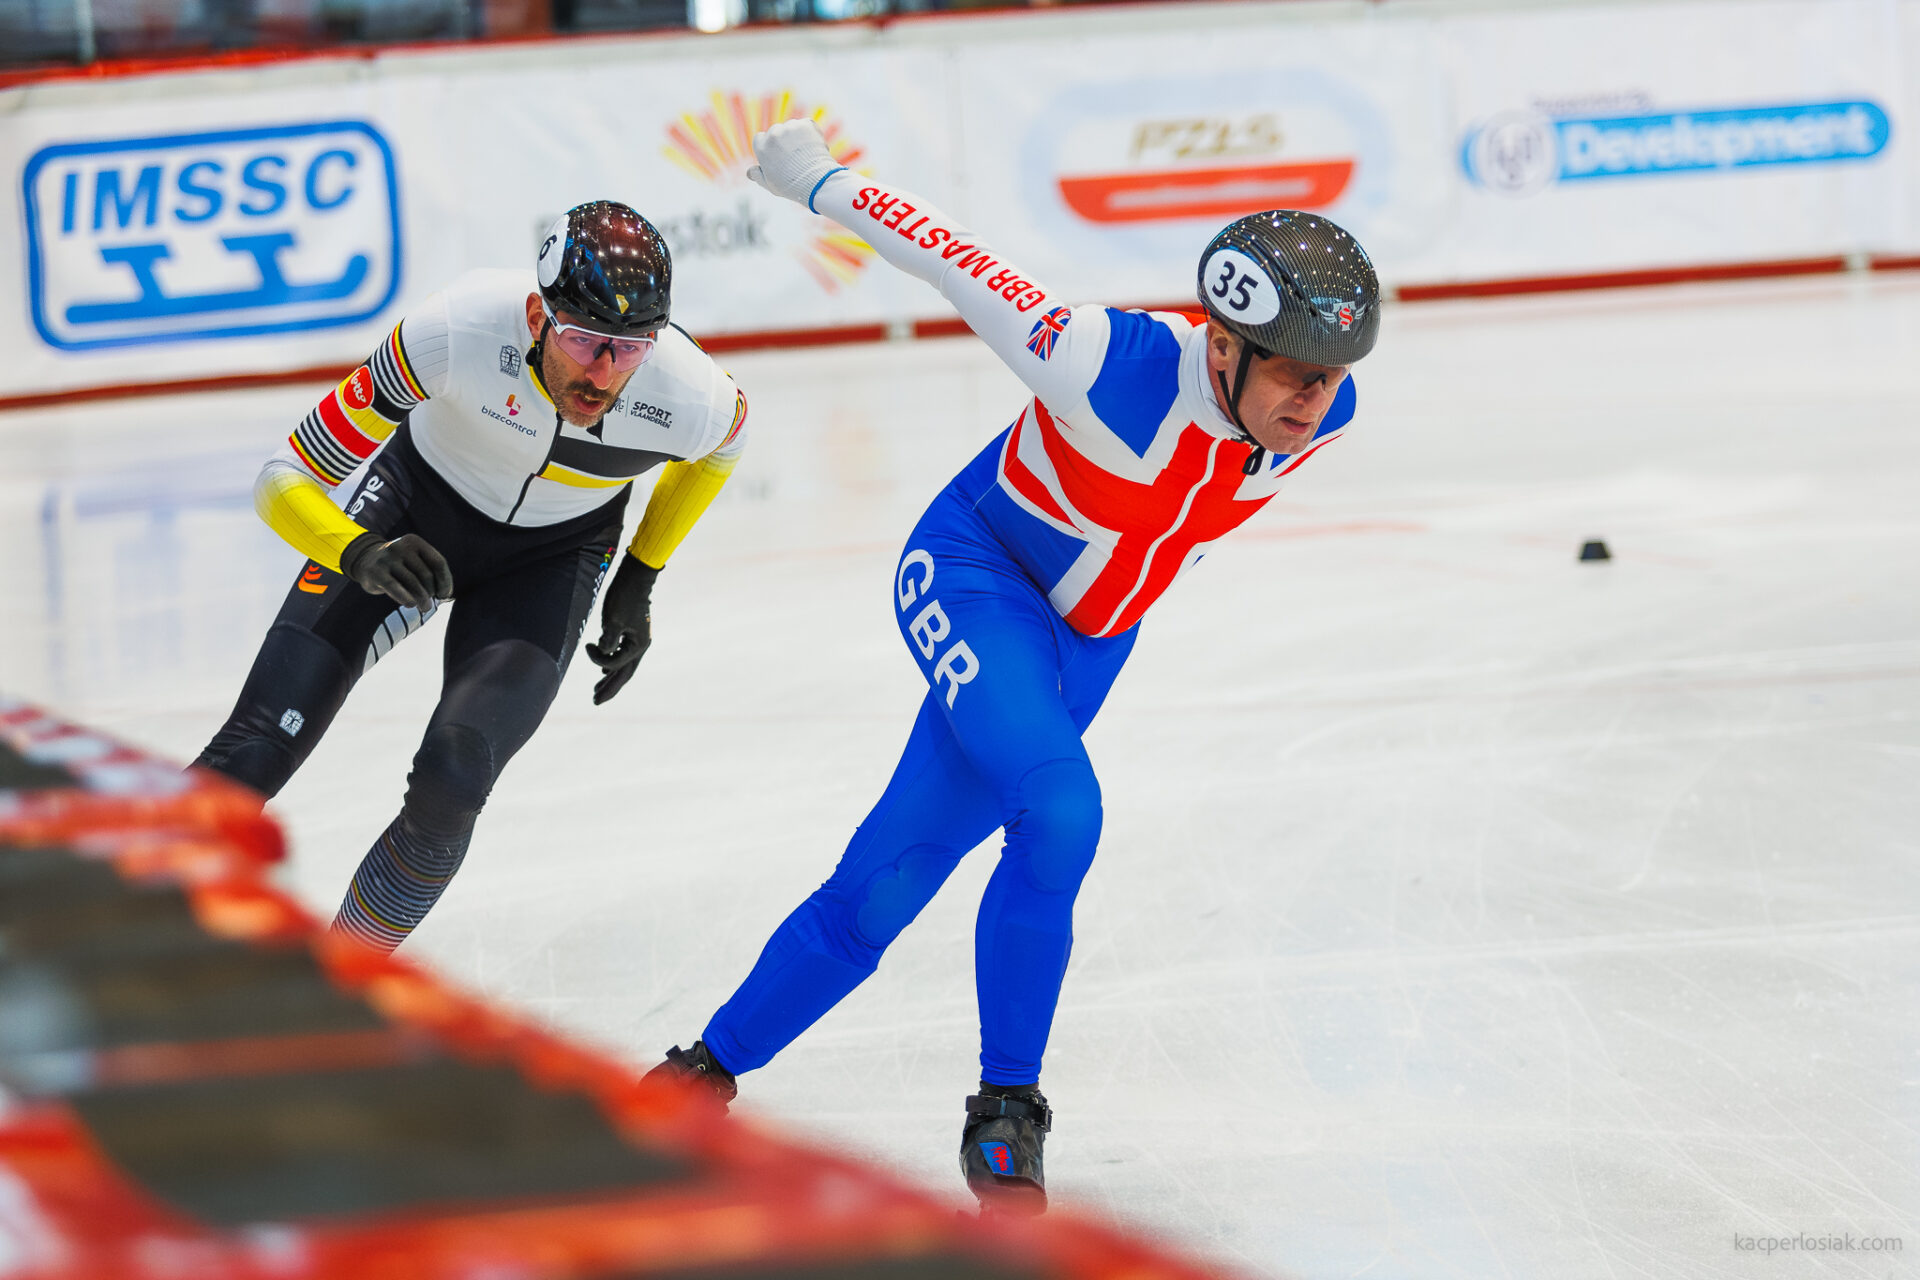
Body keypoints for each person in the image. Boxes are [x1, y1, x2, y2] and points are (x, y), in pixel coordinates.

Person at [645, 121, 1381, 1214]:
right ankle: (1008, 1109)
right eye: (1294, 374)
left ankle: (697, 1076)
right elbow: (952, 258)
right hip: (976, 573)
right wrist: (821, 181)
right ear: (1223, 344)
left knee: (886, 884)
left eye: (1332, 379)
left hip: (1085, 647)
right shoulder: (1099, 358)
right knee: (1064, 811)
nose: (1313, 404)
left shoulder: (1322, 418)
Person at [195, 201, 748, 954]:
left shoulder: (694, 395)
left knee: (453, 780)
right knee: (251, 755)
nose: (602, 372)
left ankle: (347, 980)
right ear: (536, 315)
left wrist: (639, 577)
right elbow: (282, 477)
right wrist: (357, 551)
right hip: (412, 516)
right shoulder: (454, 331)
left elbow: (723, 451)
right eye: (583, 340)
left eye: (629, 349)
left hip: (552, 558)